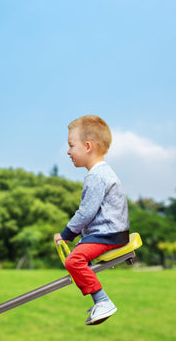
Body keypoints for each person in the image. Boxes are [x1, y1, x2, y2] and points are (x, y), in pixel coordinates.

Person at [53, 115, 130, 325]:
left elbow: (86, 212)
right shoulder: (103, 172)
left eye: (71, 145)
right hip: (109, 231)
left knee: (74, 260)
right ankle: (99, 299)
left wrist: (66, 234)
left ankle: (103, 301)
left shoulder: (96, 176)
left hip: (107, 234)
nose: (68, 152)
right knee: (79, 257)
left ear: (88, 146)